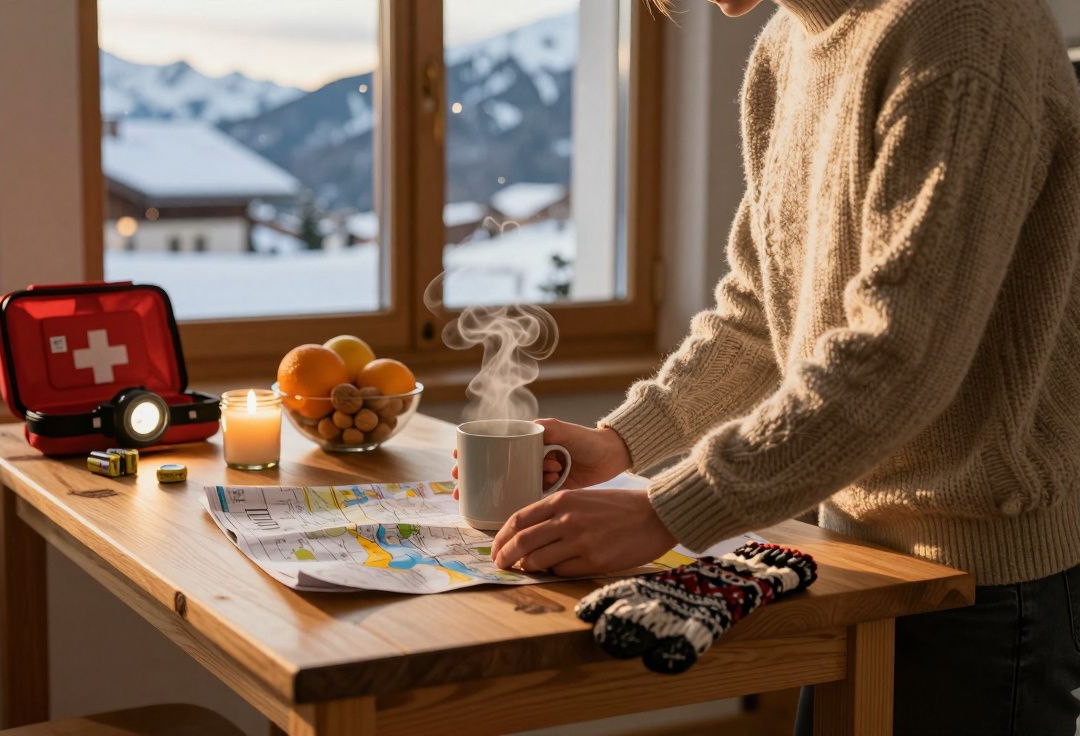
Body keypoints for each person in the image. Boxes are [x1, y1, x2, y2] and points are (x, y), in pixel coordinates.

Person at [457, 0, 1080, 733]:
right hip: (852, 559)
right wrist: (623, 443)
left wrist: (668, 509)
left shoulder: (966, 32)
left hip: (985, 584)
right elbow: (759, 313)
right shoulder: (784, 48)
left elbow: (900, 355)